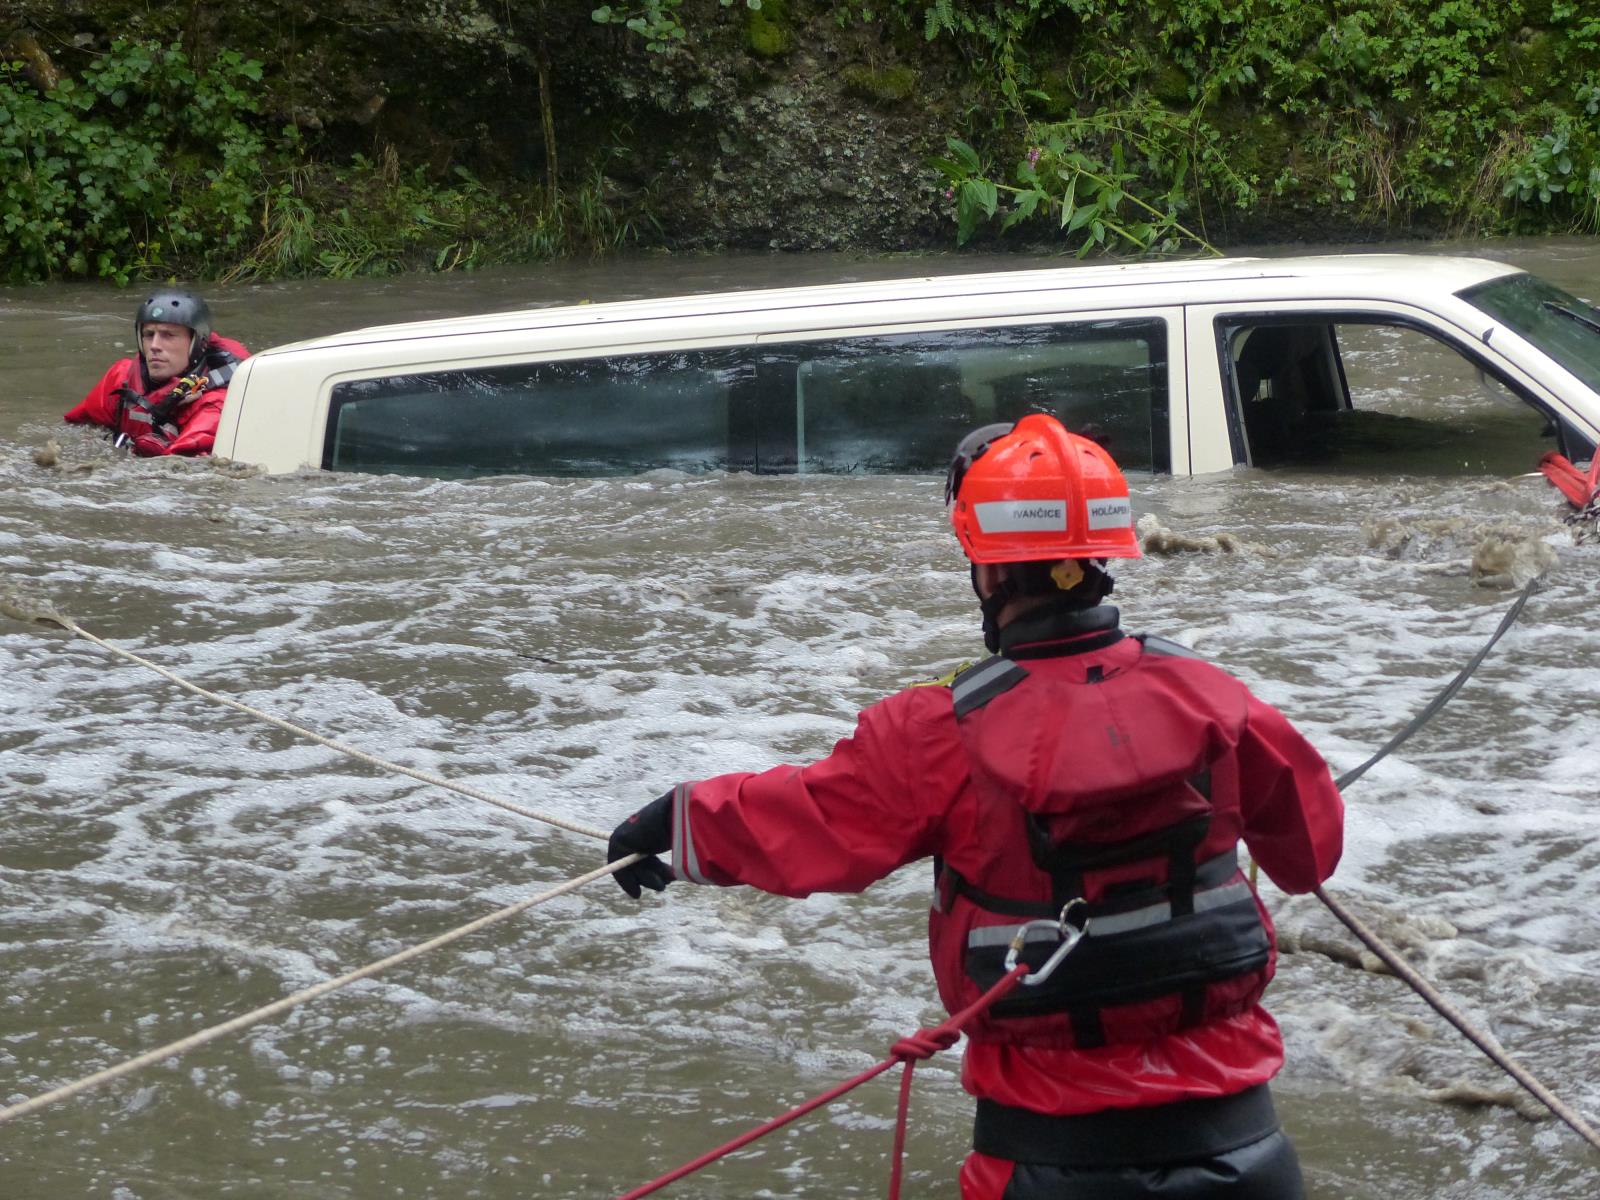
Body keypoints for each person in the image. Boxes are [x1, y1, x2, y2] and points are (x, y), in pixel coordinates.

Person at [607, 412, 1345, 1199]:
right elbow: (1309, 859)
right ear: (1104, 553)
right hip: (1250, 1161)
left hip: (1045, 1167)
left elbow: (808, 824)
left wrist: (673, 822)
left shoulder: (936, 732)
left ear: (987, 570)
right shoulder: (1218, 701)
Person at [63, 289, 249, 457]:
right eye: (149, 334)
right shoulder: (121, 379)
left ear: (198, 344)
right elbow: (76, 428)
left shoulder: (217, 405)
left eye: (168, 335)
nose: (154, 346)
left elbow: (179, 465)